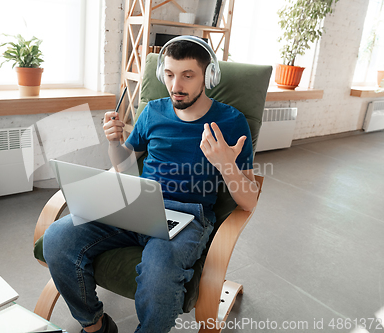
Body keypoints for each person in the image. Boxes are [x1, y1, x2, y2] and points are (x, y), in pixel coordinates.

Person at [43, 36, 259, 333]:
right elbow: (123, 164)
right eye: (169, 74)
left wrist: (226, 165)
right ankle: (95, 327)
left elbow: (249, 201)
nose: (176, 86)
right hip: (136, 202)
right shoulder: (154, 111)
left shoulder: (231, 122)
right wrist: (115, 141)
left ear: (208, 76)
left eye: (187, 75)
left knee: (159, 275)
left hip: (188, 216)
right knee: (57, 237)